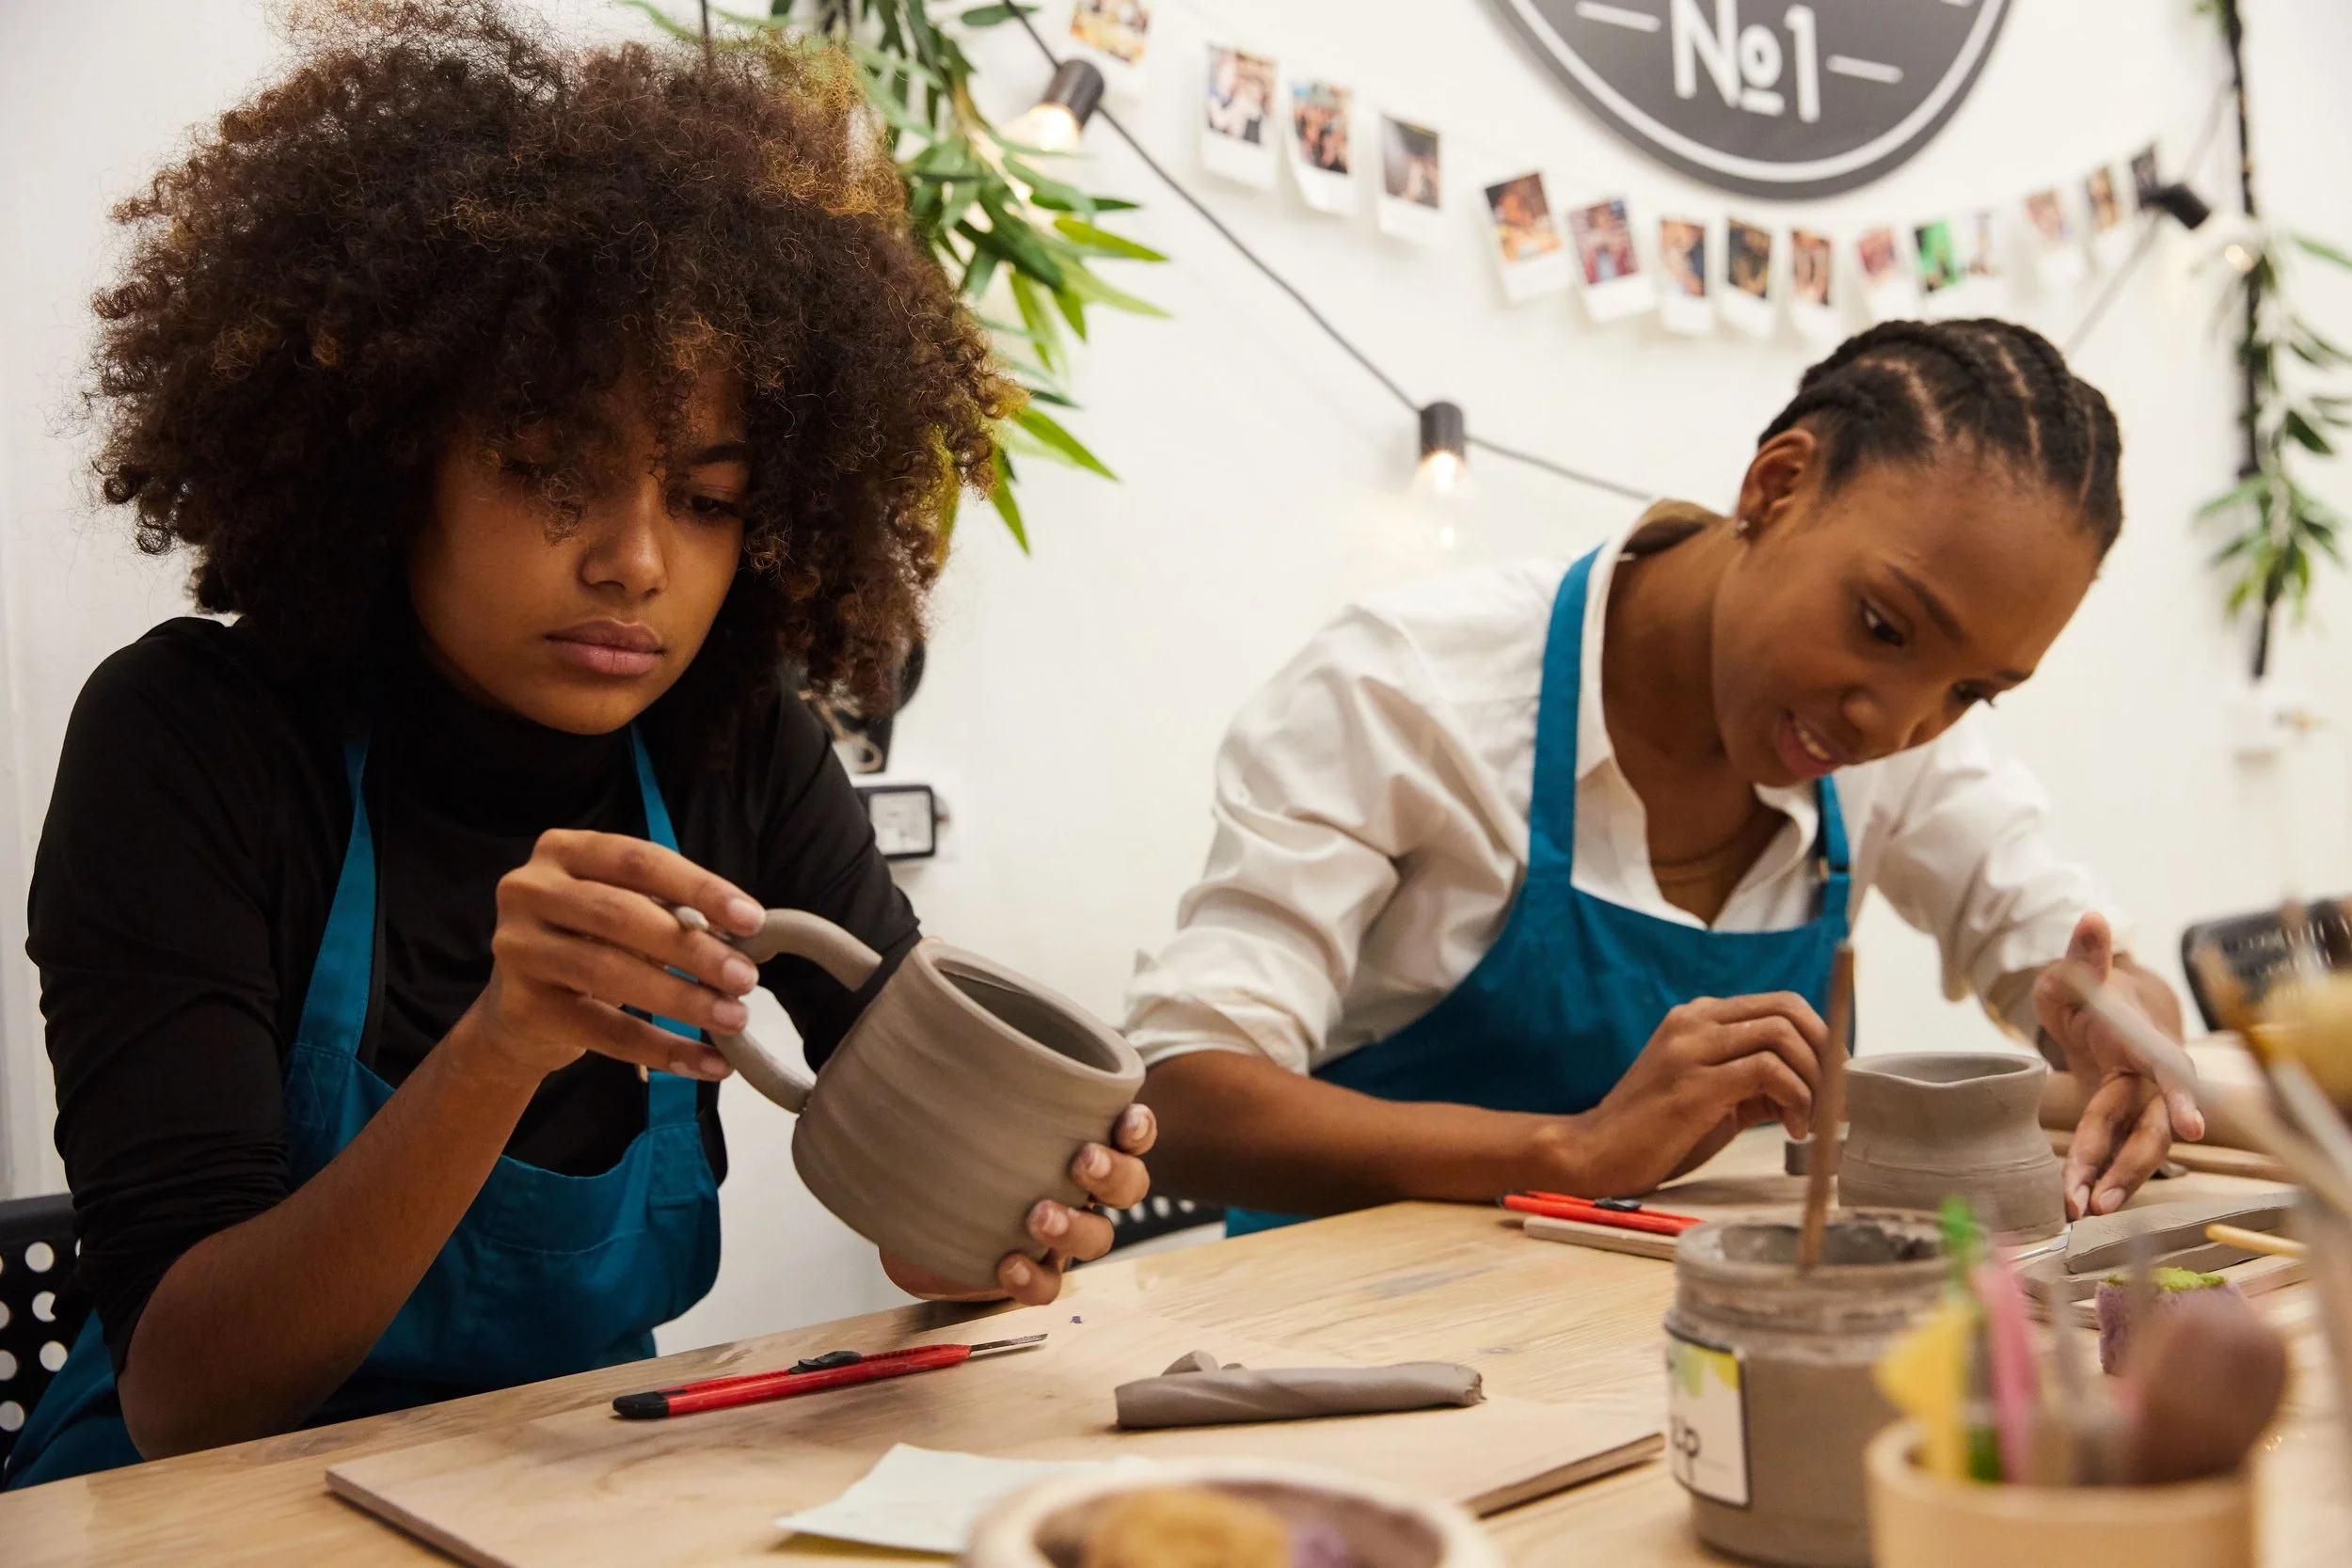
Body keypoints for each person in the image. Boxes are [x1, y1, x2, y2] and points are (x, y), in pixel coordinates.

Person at [6, 2, 1152, 1489]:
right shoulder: (193, 741)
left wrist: (1012, 1216)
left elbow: (918, 1207)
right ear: (392, 452)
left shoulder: (739, 749)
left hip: (571, 1481)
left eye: (708, 497)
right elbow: (189, 1394)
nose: (635, 560)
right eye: (553, 470)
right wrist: (502, 1042)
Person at [1127, 319, 2199, 1234]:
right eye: (1880, 626)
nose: (1894, 719)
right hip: (1342, 1344)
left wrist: (2122, 1023)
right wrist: (1573, 1148)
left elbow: (2061, 960)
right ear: (1776, 486)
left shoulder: (1903, 741)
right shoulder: (1403, 690)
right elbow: (1183, 1100)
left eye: (1974, 689)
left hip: (1665, 1342)